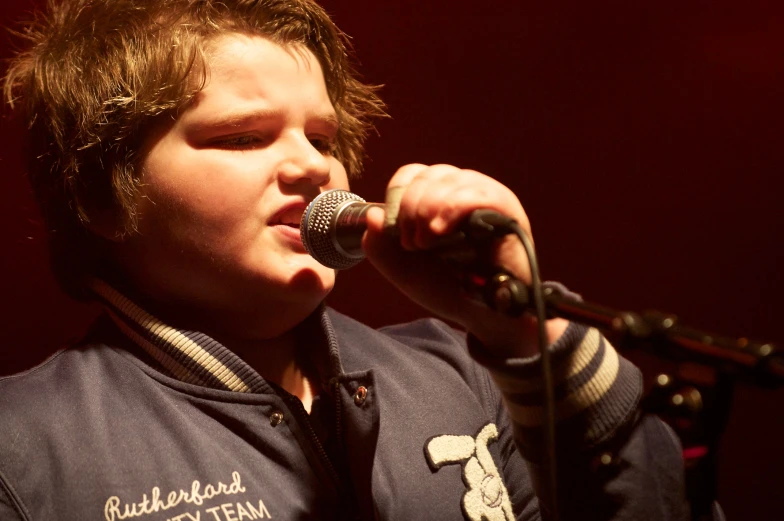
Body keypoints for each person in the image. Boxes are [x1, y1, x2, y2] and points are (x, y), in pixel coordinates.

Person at [0, 1, 694, 520]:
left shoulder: (465, 373)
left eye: (324, 137)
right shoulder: (21, 449)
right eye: (243, 137)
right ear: (99, 194)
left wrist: (528, 338)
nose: (312, 165)